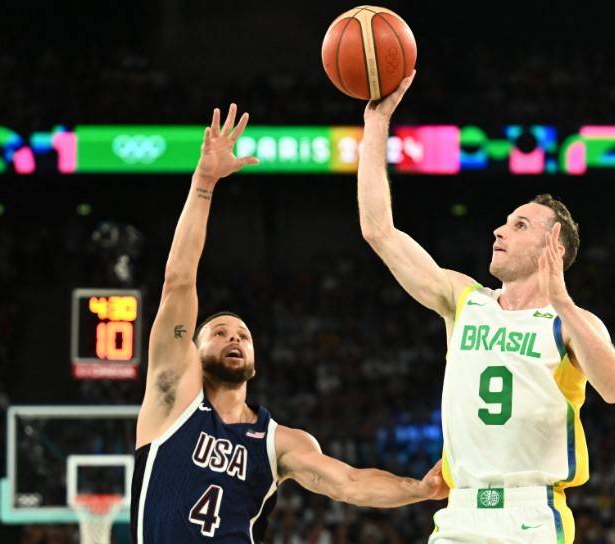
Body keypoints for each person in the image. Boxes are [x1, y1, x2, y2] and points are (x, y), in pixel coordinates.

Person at [130, 104, 448, 543]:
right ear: (193, 354)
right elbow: (178, 281)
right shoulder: (171, 399)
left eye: (242, 334)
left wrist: (420, 489)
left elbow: (349, 483)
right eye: (219, 333)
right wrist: (203, 184)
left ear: (256, 362)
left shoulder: (279, 442)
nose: (233, 338)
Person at [357, 72, 615, 543]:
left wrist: (562, 300)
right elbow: (378, 231)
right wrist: (377, 124)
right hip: (460, 511)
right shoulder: (463, 300)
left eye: (519, 225)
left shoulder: (571, 323)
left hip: (531, 513)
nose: (499, 231)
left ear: (554, 248)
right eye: (504, 223)